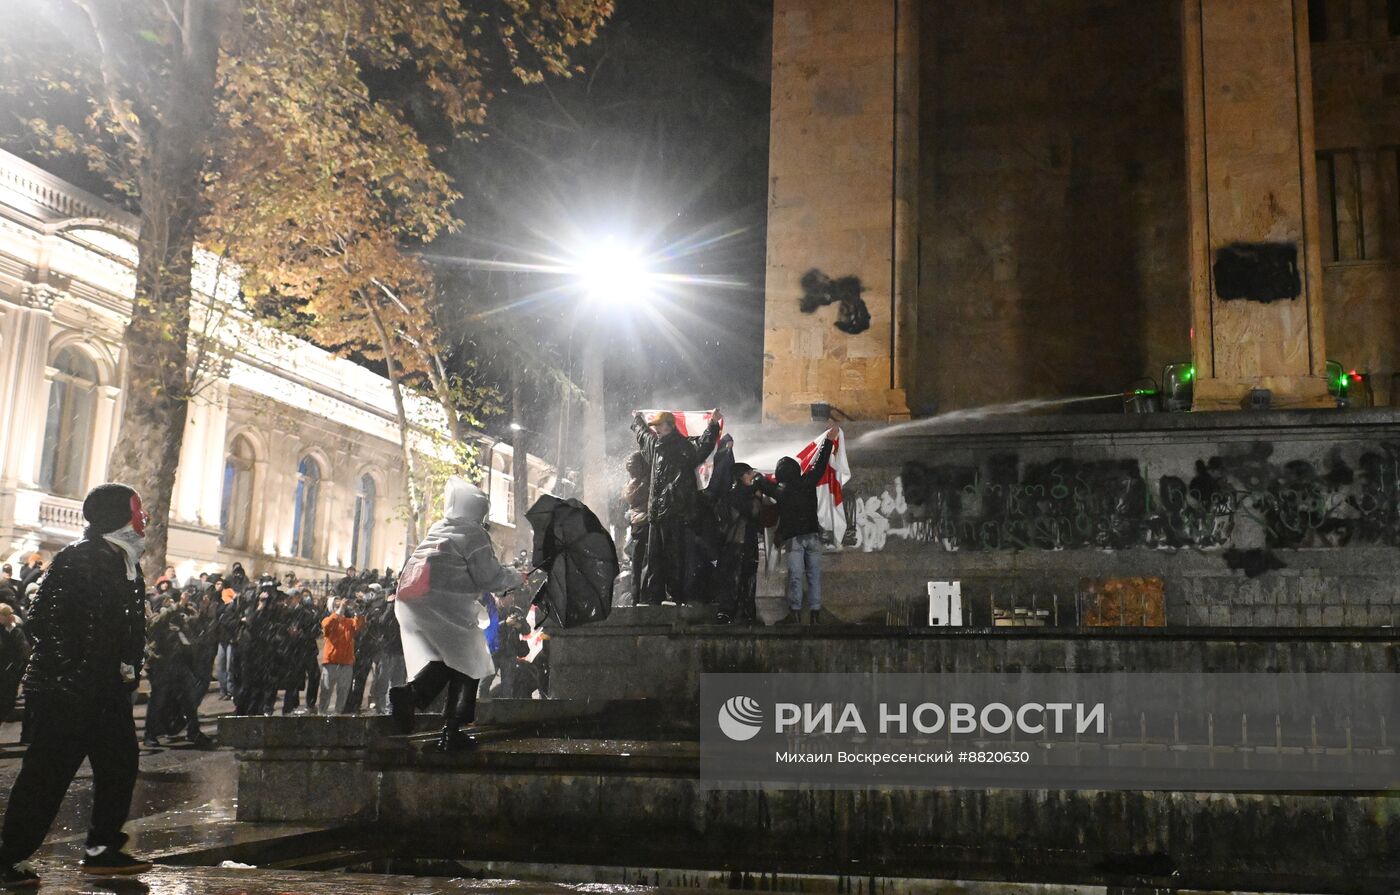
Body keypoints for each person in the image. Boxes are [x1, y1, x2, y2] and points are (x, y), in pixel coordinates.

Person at [0, 483, 152, 885]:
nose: (144, 518)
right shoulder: (78, 558)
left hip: (106, 691)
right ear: (117, 515)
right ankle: (6, 857)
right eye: (138, 510)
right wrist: (76, 670)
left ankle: (103, 848)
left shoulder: (127, 562)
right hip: (69, 691)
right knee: (46, 775)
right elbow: (43, 621)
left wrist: (125, 667)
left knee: (120, 765)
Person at [389, 477, 523, 752]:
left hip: (412, 600)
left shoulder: (439, 528)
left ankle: (410, 696)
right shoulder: (474, 534)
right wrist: (516, 577)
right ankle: (452, 730)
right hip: (441, 601)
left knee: (450, 658)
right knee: (471, 657)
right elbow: (489, 576)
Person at [630, 409, 723, 606]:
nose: (655, 430)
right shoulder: (655, 445)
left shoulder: (683, 448)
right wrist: (637, 420)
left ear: (670, 426)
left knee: (674, 557)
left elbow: (703, 446)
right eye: (654, 426)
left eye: (659, 426)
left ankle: (674, 595)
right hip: (657, 515)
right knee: (654, 558)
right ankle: (654, 597)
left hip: (676, 514)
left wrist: (713, 426)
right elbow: (642, 435)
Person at [756, 425, 837, 624]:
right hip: (812, 534)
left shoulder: (780, 490)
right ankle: (815, 614)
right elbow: (820, 464)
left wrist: (756, 476)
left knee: (795, 576)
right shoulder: (808, 482)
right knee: (814, 576)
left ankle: (796, 612)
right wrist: (828, 441)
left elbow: (762, 482)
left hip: (793, 538)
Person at [715, 463, 767, 625]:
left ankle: (729, 612)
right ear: (742, 475)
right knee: (745, 579)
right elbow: (753, 513)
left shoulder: (729, 495)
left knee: (733, 579)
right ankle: (741, 613)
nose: (752, 476)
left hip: (732, 542)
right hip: (742, 542)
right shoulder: (743, 495)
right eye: (749, 473)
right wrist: (757, 497)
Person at [317, 595, 362, 714]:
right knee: (326, 692)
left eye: (340, 604)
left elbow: (359, 624)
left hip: (346, 662)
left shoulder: (348, 622)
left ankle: (338, 715)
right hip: (331, 662)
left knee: (343, 692)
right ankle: (321, 715)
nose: (341, 606)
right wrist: (340, 608)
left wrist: (356, 609)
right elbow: (327, 626)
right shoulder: (327, 619)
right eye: (336, 604)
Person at [621, 452, 650, 605]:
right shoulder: (643, 484)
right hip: (645, 525)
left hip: (636, 527)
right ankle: (641, 595)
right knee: (645, 564)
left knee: (637, 566)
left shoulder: (630, 484)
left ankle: (635, 597)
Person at [0, 605, 30, 724]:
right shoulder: (6, 630)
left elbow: (22, 649)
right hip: (6, 665)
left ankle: (7, 712)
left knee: (9, 690)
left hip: (11, 666)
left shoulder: (15, 630)